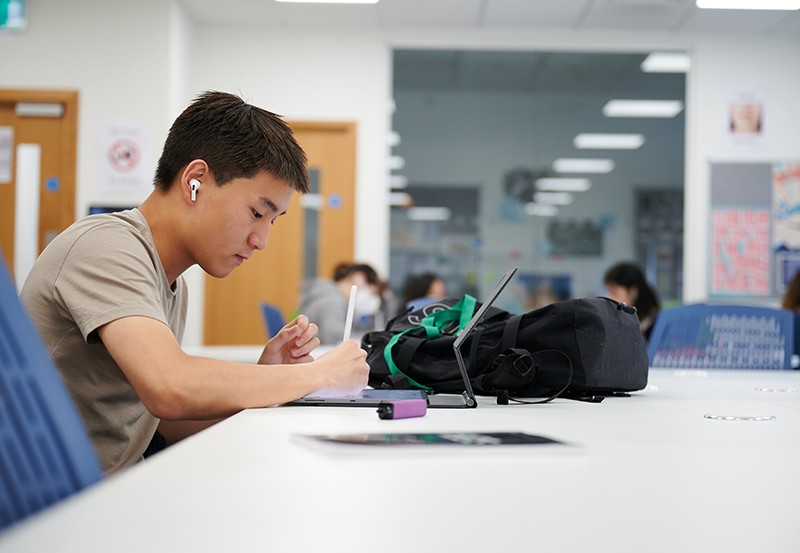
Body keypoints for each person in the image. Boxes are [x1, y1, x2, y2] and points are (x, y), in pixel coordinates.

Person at [19, 91, 369, 475]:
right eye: (257, 212)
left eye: (272, 220)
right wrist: (318, 375)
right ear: (195, 182)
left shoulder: (169, 280)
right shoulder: (107, 246)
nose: (261, 240)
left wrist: (270, 378)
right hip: (57, 505)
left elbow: (164, 420)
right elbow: (171, 388)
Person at [298, 262, 385, 345]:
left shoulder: (332, 298)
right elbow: (335, 338)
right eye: (371, 292)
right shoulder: (332, 301)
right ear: (358, 279)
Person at [603, 262, 660, 341]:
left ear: (633, 291)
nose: (610, 298)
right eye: (609, 293)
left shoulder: (655, 326)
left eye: (615, 293)